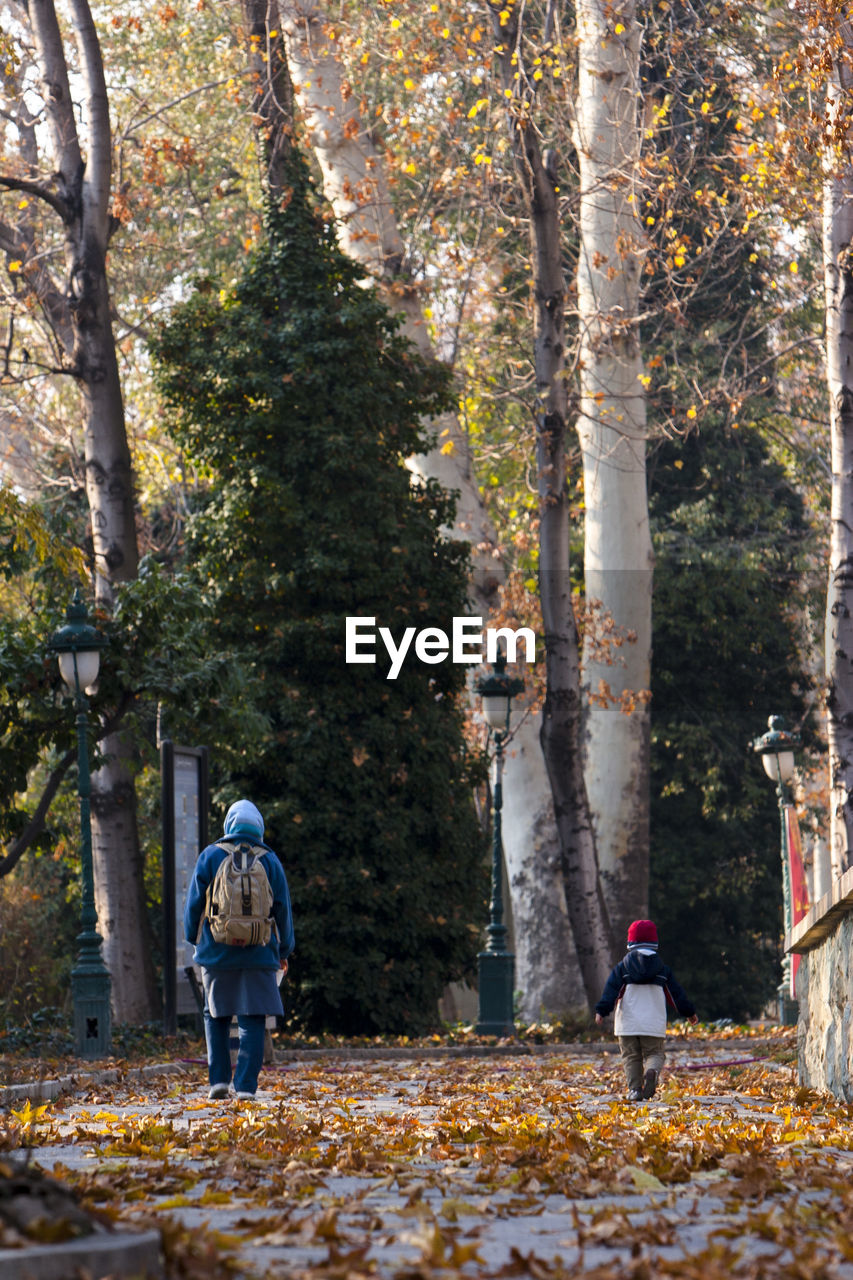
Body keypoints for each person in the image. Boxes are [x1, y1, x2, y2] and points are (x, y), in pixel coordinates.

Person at [184, 799, 294, 1101]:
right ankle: (245, 1086)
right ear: (258, 828)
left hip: (217, 951)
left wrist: (195, 939)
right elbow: (283, 910)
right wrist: (284, 949)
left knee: (216, 1015)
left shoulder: (210, 856)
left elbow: (194, 904)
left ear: (228, 826)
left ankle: (218, 1081)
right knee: (253, 1019)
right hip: (260, 952)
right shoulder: (270, 860)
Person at [594, 918, 698, 1102]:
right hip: (653, 1024)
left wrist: (602, 1010)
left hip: (627, 1025)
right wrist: (689, 1012)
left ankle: (635, 1090)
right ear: (655, 943)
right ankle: (651, 1071)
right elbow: (676, 995)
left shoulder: (622, 969)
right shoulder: (663, 971)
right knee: (655, 1054)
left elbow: (611, 990)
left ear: (630, 943)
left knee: (631, 1056)